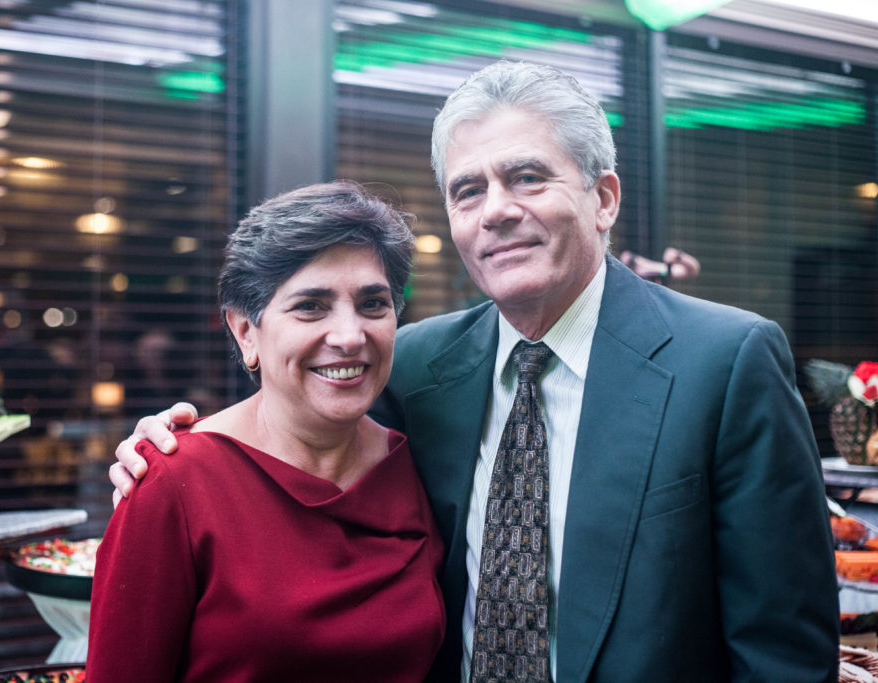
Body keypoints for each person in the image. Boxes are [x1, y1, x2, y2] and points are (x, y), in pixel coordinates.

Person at [112, 62, 839, 682]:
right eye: (468, 190)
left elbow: (782, 651)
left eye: (527, 177)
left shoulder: (725, 360)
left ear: (604, 198)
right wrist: (169, 450)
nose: (497, 210)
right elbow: (293, 445)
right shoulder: (415, 365)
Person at [88, 181, 446, 682]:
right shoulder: (172, 482)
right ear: (245, 333)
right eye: (310, 306)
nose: (349, 335)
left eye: (372, 304)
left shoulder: (419, 463)